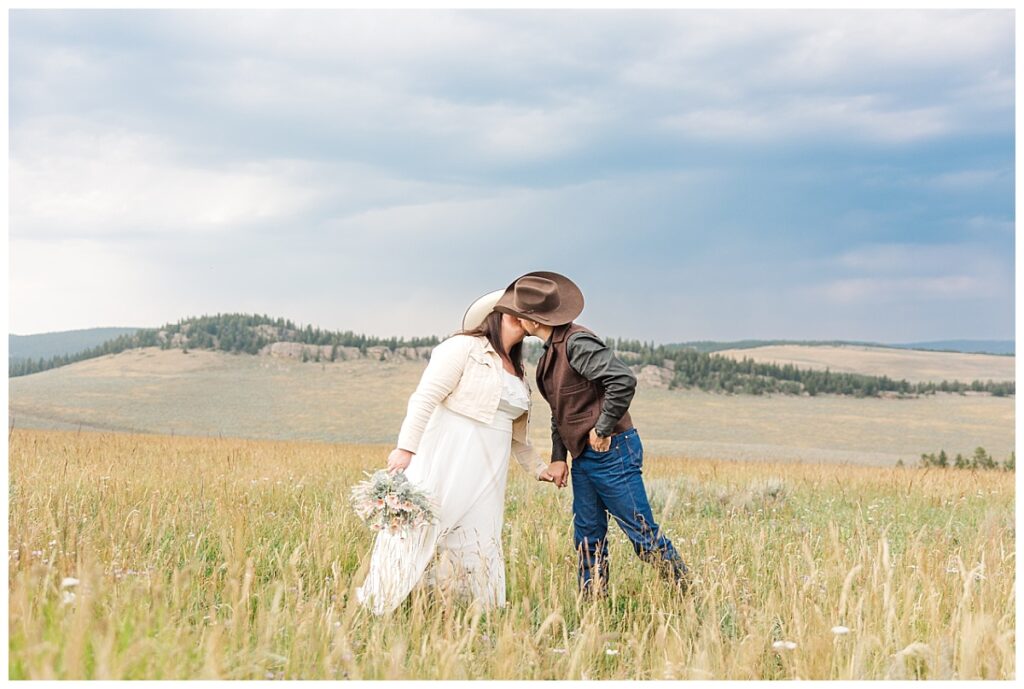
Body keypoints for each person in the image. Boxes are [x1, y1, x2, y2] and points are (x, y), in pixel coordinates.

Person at [355, 290, 561, 615]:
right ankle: (377, 602)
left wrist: (539, 469)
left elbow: (517, 437)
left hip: (489, 467)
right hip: (449, 451)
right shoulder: (462, 348)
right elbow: (424, 397)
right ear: (501, 315)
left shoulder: (518, 371)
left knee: (480, 536)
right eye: (518, 312)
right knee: (420, 529)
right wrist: (406, 448)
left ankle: (480, 612)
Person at [493, 271, 691, 596]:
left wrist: (603, 427)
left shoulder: (577, 343)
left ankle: (690, 596)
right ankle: (593, 609)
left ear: (533, 319)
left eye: (519, 312)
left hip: (612, 452)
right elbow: (561, 413)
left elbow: (623, 380)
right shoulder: (548, 357)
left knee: (642, 536)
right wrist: (559, 458)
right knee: (587, 537)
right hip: (584, 458)